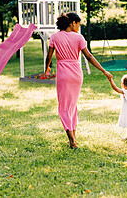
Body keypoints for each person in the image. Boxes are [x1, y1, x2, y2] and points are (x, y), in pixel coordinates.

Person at [45, 12, 112, 149]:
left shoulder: (55, 37)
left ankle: (72, 140)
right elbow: (89, 56)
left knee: (64, 107)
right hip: (76, 75)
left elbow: (49, 57)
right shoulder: (79, 38)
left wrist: (46, 69)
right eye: (79, 24)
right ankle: (73, 137)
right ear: (73, 23)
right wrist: (103, 70)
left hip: (63, 75)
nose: (79, 27)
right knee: (72, 106)